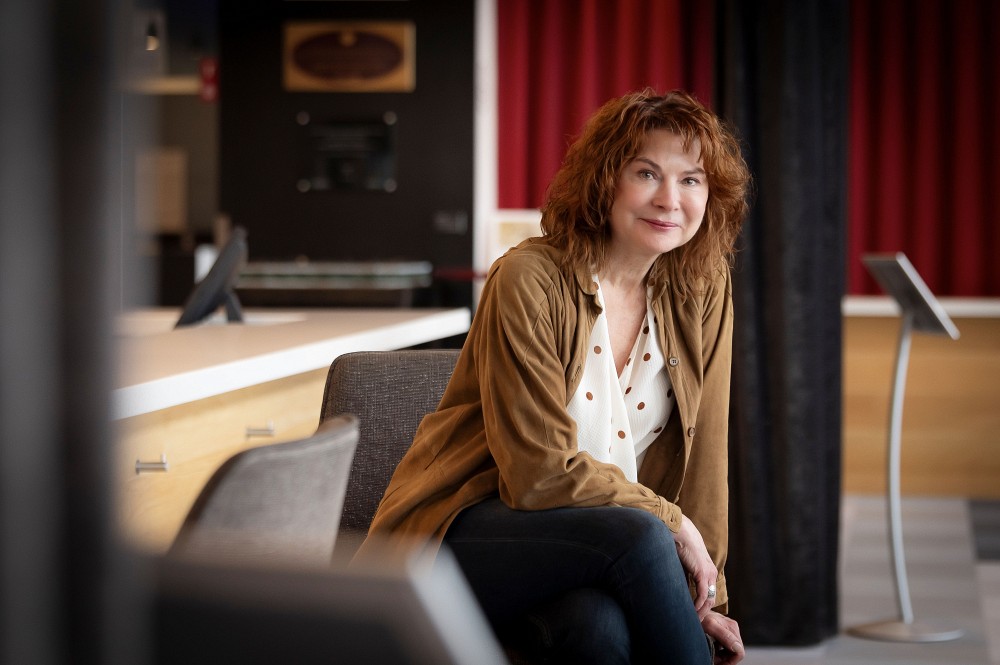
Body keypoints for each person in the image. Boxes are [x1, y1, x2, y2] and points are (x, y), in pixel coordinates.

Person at [358, 89, 751, 665]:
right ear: (604, 181)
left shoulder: (702, 287)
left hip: (600, 548)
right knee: (641, 535)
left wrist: (706, 593)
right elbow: (537, 475)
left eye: (691, 179)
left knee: (597, 630)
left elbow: (706, 455)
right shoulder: (528, 279)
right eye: (647, 172)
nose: (670, 199)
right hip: (461, 534)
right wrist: (669, 521)